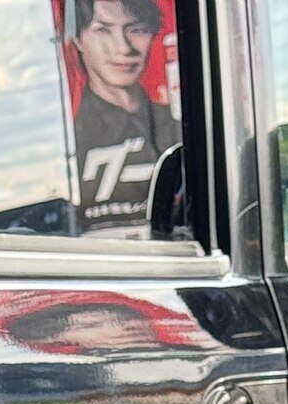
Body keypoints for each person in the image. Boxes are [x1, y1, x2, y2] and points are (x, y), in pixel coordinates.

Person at [67, 0, 179, 233]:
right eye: (103, 30)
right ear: (78, 39)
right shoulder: (67, 139)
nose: (123, 48)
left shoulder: (180, 128)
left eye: (137, 30)